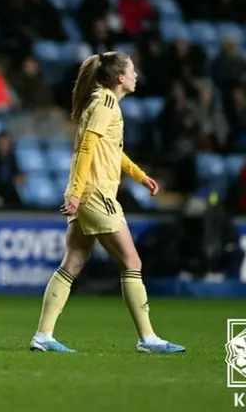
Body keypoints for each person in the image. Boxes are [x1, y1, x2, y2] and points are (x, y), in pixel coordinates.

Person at [29, 52, 186, 354]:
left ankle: (43, 335)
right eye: (132, 70)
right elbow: (87, 145)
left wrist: (140, 176)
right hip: (96, 195)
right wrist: (76, 193)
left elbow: (110, 149)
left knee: (72, 262)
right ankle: (148, 338)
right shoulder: (107, 104)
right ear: (119, 78)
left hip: (87, 195)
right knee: (132, 262)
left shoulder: (101, 101)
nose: (136, 75)